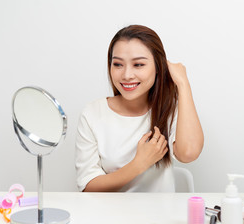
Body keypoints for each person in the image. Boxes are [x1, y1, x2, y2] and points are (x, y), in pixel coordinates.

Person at [75, 25, 204, 192]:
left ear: (158, 67)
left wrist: (183, 83)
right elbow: (88, 186)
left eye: (138, 64)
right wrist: (139, 164)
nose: (127, 74)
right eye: (118, 64)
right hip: (109, 216)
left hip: (159, 216)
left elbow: (189, 153)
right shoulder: (92, 113)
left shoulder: (169, 108)